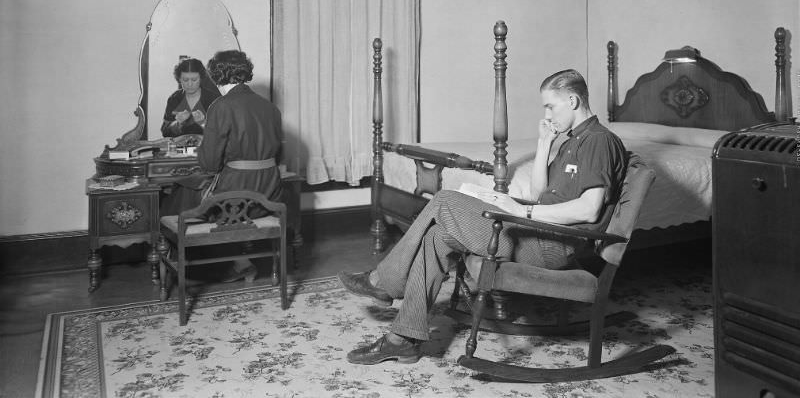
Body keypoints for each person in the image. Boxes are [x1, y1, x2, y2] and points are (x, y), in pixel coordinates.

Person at [338, 69, 628, 365]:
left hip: (551, 245)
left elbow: (589, 209)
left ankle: (382, 281)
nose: (547, 114)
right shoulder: (570, 141)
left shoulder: (598, 141)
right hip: (535, 232)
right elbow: (540, 191)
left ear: (573, 100)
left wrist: (520, 210)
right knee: (437, 237)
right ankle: (401, 340)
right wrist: (544, 144)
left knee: (444, 201)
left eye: (550, 106)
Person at [197, 49, 284, 282]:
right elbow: (280, 153)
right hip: (270, 190)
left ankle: (235, 264)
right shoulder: (270, 107)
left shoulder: (220, 106)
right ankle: (243, 261)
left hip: (237, 194)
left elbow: (209, 164)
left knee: (188, 200)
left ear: (216, 75)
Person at [161, 58, 220, 138]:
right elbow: (165, 132)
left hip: (207, 149)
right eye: (185, 80)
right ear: (179, 79)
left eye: (194, 80)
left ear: (201, 78)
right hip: (179, 149)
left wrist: (203, 123)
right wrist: (177, 124)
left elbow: (222, 133)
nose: (189, 84)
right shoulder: (175, 98)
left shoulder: (213, 99)